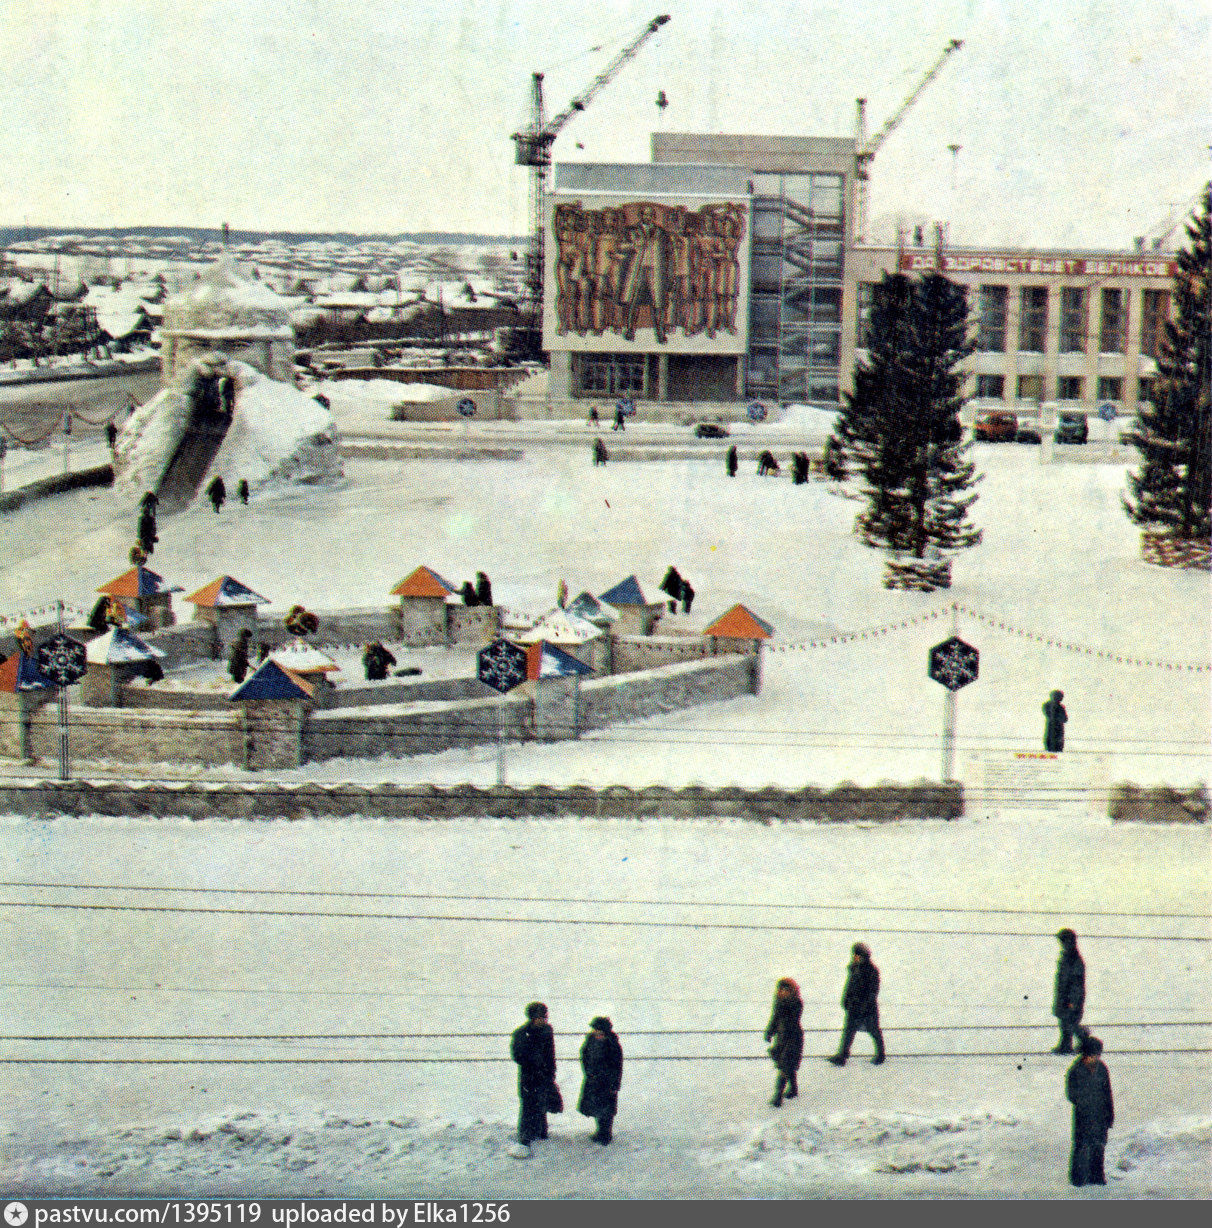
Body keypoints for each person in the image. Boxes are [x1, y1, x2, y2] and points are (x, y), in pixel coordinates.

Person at [1066, 1035, 1113, 1186]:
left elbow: (1108, 1093)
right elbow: (1072, 1094)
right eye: (1092, 1055)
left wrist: (1109, 1115)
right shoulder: (1075, 1070)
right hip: (1084, 1117)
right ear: (1085, 1055)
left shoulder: (1102, 1069)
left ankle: (1096, 1177)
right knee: (1082, 1146)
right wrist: (1086, 1103)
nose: (1095, 1058)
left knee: (1099, 1146)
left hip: (1100, 1116)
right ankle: (1078, 1179)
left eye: (1097, 1055)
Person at [829, 942, 885, 1066]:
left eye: (857, 954)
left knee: (873, 1030)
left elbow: (873, 990)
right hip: (854, 1006)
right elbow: (849, 986)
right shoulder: (854, 968)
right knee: (849, 1031)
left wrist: (866, 1005)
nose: (855, 957)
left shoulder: (871, 970)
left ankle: (881, 1054)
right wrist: (846, 999)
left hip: (867, 1008)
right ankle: (842, 1055)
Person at [511, 1001, 557, 1149]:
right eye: (538, 1017)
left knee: (542, 1103)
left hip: (544, 1075)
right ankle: (525, 1135)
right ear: (531, 1017)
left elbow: (551, 1054)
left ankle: (541, 1132)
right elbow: (517, 1055)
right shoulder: (521, 1033)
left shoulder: (547, 1031)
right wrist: (533, 1060)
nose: (542, 1020)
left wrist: (551, 1071)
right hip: (529, 1076)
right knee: (528, 1105)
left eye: (544, 1017)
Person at [578, 1016, 623, 1144]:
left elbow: (617, 1067)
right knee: (596, 1108)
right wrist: (589, 1073)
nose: (597, 1033)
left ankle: (605, 1135)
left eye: (600, 1032)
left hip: (606, 1083)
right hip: (593, 1080)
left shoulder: (613, 1045)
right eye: (595, 1030)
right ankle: (600, 1131)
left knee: (606, 1111)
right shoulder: (590, 1041)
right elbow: (584, 1056)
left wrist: (614, 1084)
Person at [764, 977, 804, 1107]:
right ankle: (793, 1089)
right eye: (780, 989)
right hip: (782, 1038)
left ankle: (778, 1096)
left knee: (785, 1065)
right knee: (787, 1065)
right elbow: (775, 1018)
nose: (781, 992)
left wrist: (783, 1005)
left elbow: (791, 1020)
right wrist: (770, 1032)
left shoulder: (796, 1003)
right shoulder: (779, 1002)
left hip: (793, 1038)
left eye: (784, 990)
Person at [1052, 928, 1087, 1054]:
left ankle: (1082, 1040)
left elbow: (1077, 983)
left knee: (1070, 1022)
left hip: (1071, 998)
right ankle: (1067, 1044)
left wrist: (1073, 1000)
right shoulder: (1067, 957)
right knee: (1065, 1021)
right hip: (1064, 996)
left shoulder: (1074, 959)